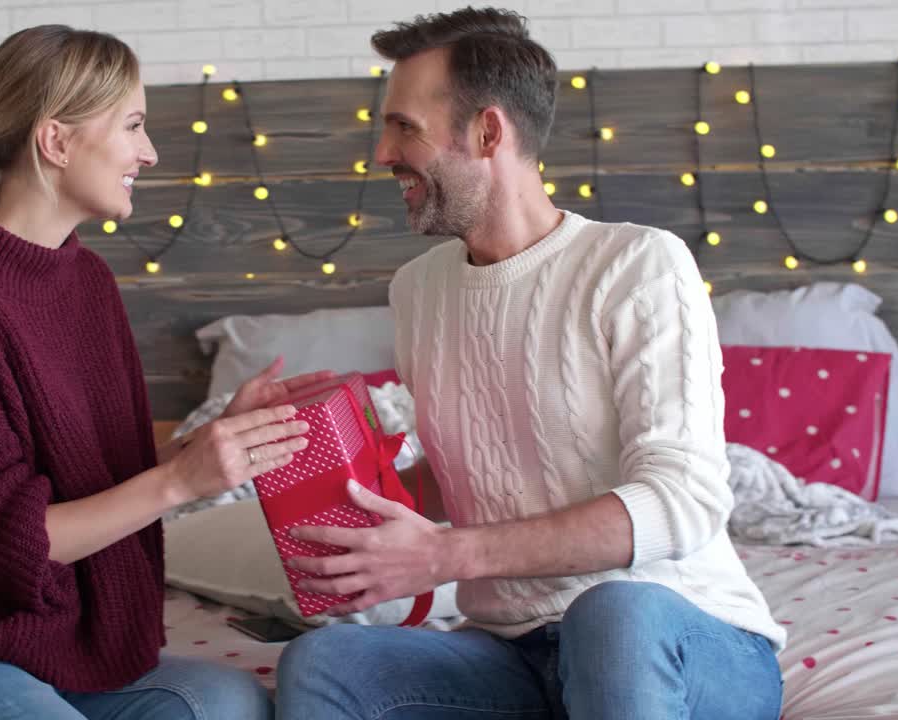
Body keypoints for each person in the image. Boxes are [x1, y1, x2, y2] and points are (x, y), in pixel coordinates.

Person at [276, 8, 785, 719]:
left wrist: (444, 558)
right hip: (512, 653)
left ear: (488, 132)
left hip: (678, 639)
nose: (383, 154)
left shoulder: (636, 264)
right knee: (324, 664)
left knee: (613, 616)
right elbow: (477, 478)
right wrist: (349, 502)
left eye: (404, 128)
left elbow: (684, 502)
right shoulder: (418, 290)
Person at [0, 25, 322, 720]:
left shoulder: (87, 280)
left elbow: (100, 485)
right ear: (56, 141)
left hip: (68, 649)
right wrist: (178, 480)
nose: (149, 152)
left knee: (230, 703)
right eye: (133, 126)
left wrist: (207, 445)